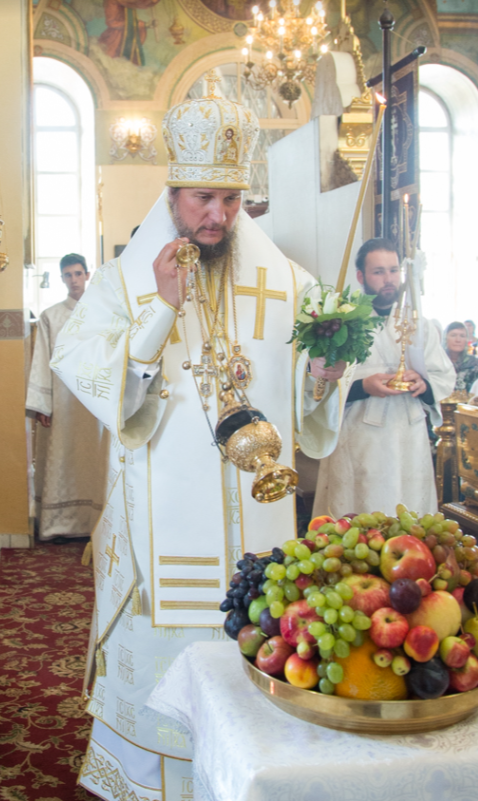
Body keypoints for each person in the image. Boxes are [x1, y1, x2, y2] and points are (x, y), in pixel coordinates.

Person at [52, 85, 349, 799]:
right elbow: (98, 384)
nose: (216, 216)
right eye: (199, 200)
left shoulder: (290, 283)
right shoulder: (127, 281)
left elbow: (311, 406)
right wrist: (160, 311)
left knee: (256, 696)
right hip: (162, 542)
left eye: (230, 200)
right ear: (173, 193)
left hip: (259, 528)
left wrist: (325, 378)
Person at [313, 238, 455, 518]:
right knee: (359, 518)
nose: (388, 279)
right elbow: (319, 386)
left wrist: (423, 384)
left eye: (393, 270)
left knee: (410, 517)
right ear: (361, 276)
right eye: (378, 272)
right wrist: (362, 386)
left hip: (408, 436)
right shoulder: (339, 323)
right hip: (360, 437)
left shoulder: (420, 324)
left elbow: (443, 376)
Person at [25, 254, 108, 542]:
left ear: (87, 275)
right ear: (62, 278)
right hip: (62, 402)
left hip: (96, 401)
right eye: (67, 275)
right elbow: (42, 361)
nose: (73, 280)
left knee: (96, 461)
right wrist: (42, 404)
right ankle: (59, 524)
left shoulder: (104, 312)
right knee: (64, 457)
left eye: (78, 274)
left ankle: (97, 523)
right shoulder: (51, 316)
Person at [443, 321, 478, 393]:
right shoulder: (437, 361)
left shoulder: (475, 363)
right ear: (445, 338)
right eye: (453, 335)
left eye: (462, 336)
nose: (458, 340)